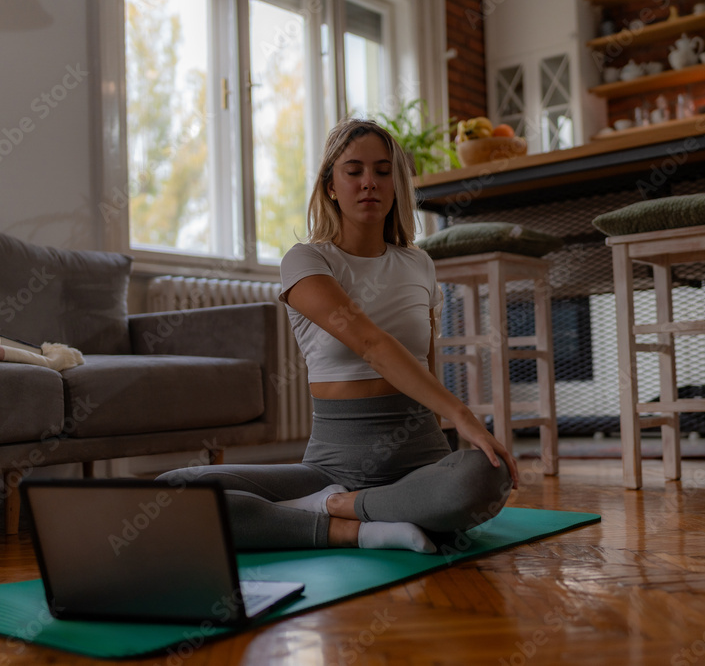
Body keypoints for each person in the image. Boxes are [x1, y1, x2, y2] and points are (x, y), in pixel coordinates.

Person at [157, 118, 517, 553]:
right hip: (332, 467)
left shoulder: (419, 264)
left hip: (421, 460)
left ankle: (341, 508)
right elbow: (372, 344)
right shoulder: (305, 261)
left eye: (383, 171)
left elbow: (426, 365)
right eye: (354, 171)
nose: (370, 183)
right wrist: (464, 414)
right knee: (170, 493)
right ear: (330, 185)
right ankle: (354, 524)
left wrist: (449, 450)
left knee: (486, 476)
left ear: (397, 184)